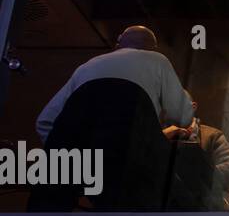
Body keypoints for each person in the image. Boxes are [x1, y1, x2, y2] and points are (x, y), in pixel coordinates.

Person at [35, 25, 192, 143]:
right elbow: (183, 116)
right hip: (131, 167)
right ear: (153, 48)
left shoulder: (86, 66)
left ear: (118, 44)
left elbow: (45, 121)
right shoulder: (158, 60)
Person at [166, 93, 229, 210]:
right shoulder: (162, 134)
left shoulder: (211, 135)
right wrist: (160, 137)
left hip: (202, 208)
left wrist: (202, 172)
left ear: (193, 107)